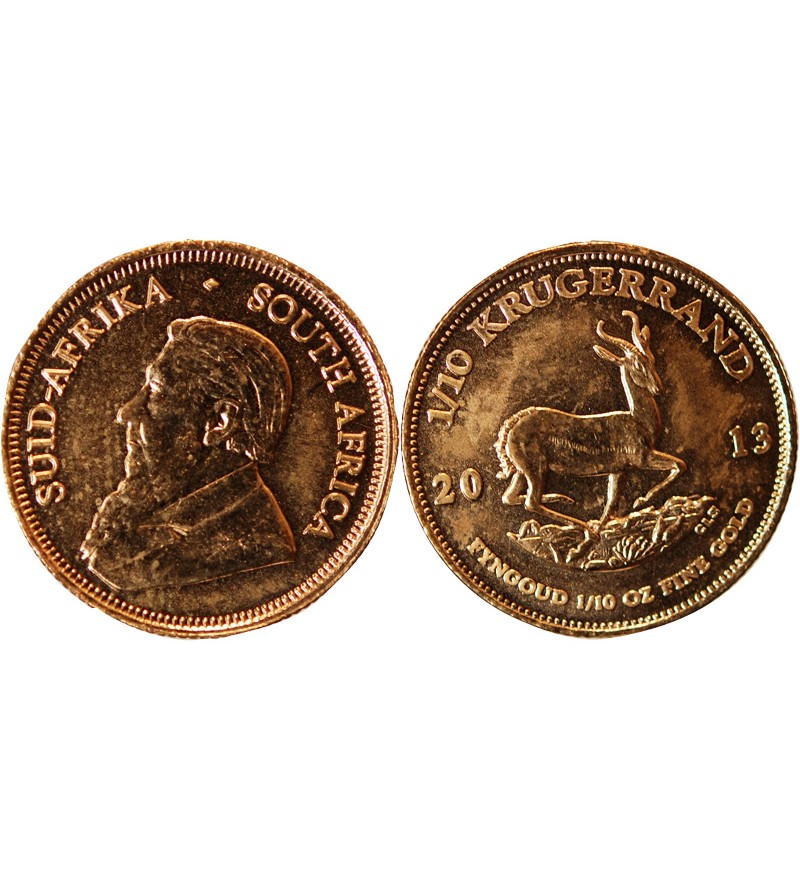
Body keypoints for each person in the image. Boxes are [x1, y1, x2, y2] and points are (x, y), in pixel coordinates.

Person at [80, 316, 295, 594]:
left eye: (155, 391)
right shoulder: (157, 514)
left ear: (220, 422)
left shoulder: (255, 546)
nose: (127, 412)